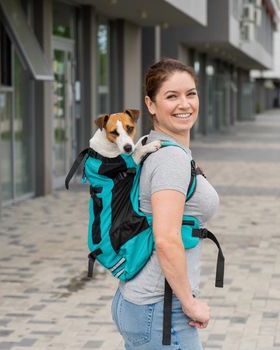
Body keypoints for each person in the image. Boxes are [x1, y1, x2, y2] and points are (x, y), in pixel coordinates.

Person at [111, 58, 219, 349]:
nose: (185, 104)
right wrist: (190, 303)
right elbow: (167, 239)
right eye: (171, 96)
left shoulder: (152, 144)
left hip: (140, 300)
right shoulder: (170, 159)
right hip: (162, 311)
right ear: (151, 104)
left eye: (191, 93)